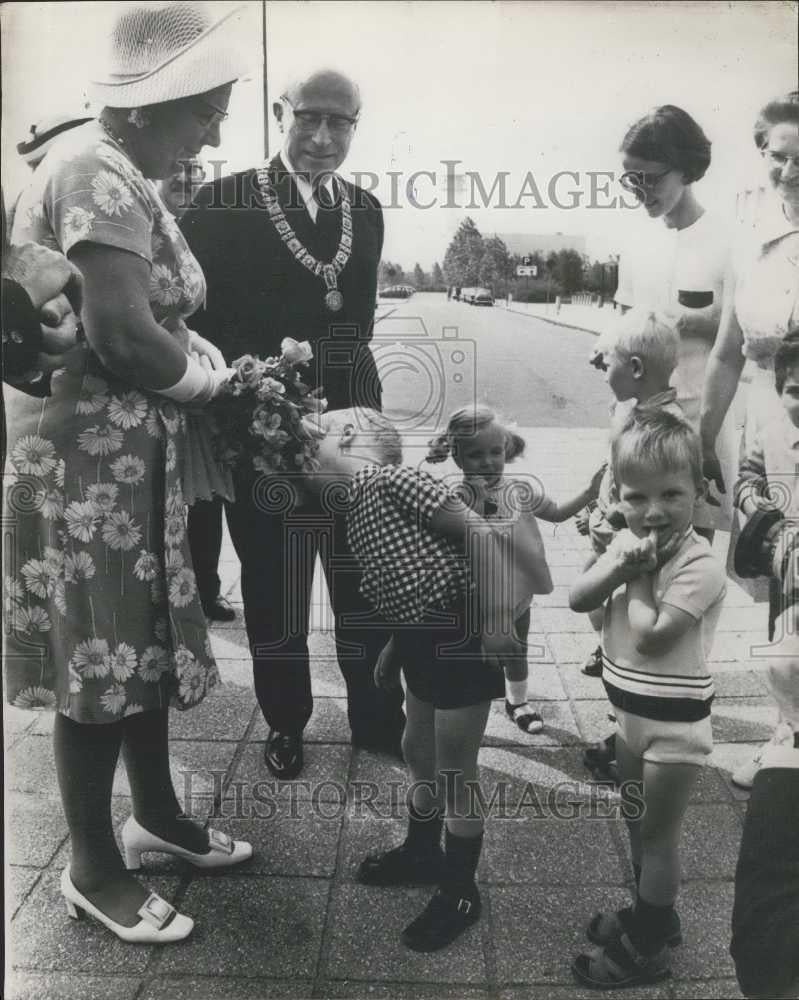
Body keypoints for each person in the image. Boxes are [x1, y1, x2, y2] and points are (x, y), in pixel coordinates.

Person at [3, 2, 252, 944]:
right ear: (154, 104)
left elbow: (155, 315)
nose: (214, 132)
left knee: (138, 641)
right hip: (85, 467)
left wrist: (205, 360)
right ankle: (91, 866)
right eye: (207, 111)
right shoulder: (90, 173)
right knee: (99, 658)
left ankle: (155, 817)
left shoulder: (112, 171)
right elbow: (118, 331)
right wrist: (212, 390)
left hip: (123, 458)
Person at [181, 68, 405, 780]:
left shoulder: (365, 209)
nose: (322, 136)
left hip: (349, 434)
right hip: (262, 433)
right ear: (280, 113)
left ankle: (376, 716)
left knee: (361, 578)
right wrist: (249, 409)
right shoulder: (222, 204)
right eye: (308, 117)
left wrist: (363, 423)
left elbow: (360, 324)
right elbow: (198, 329)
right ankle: (286, 721)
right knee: (274, 587)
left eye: (340, 123)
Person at [304, 406, 539, 951]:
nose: (308, 451)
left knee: (455, 769)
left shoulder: (395, 478)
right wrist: (397, 644)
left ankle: (460, 891)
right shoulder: (359, 502)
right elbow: (414, 573)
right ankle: (422, 849)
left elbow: (480, 537)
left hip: (461, 637)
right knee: (417, 745)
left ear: (348, 438)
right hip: (422, 638)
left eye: (320, 437)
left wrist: (501, 623)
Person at [569, 409, 727, 989]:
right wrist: (607, 557)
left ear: (698, 494)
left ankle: (648, 949)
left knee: (660, 839)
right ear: (616, 494)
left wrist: (634, 572)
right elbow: (582, 607)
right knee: (636, 824)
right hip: (630, 719)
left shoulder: (700, 563)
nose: (654, 511)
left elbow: (651, 634)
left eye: (672, 494)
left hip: (674, 731)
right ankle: (652, 915)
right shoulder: (626, 551)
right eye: (636, 496)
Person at [700, 90, 799, 789]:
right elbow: (728, 350)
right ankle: (787, 730)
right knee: (780, 561)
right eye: (779, 156)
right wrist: (704, 438)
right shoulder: (754, 236)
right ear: (762, 156)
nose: (790, 171)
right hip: (770, 422)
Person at [425, 404, 603, 733]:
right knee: (475, 656)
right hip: (478, 595)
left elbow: (557, 512)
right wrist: (474, 501)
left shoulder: (519, 490)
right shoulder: (455, 496)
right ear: (457, 456)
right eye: (476, 455)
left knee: (516, 649)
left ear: (506, 449)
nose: (489, 462)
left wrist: (589, 494)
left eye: (495, 451)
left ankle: (517, 701)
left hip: (517, 590)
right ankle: (465, 705)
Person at [614, 104, 737, 542]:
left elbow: (739, 332)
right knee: (633, 553)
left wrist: (689, 319)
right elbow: (621, 319)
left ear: (685, 168)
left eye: (652, 178)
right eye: (632, 179)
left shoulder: (728, 240)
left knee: (693, 563)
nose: (640, 191)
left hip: (698, 422)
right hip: (638, 423)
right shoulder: (634, 242)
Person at [578, 311, 685, 783]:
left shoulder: (664, 427)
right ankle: (623, 713)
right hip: (614, 542)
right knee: (603, 620)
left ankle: (632, 730)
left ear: (637, 369)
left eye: (610, 363)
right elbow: (612, 470)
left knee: (631, 637)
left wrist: (618, 520)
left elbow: (661, 503)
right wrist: (596, 510)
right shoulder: (628, 410)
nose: (604, 370)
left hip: (642, 557)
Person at [157, 159, 236, 623]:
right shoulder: (143, 221)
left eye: (196, 172)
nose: (188, 181)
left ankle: (206, 586)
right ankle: (169, 591)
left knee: (205, 494)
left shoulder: (209, 224)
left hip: (205, 372)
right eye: (178, 171)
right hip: (161, 370)